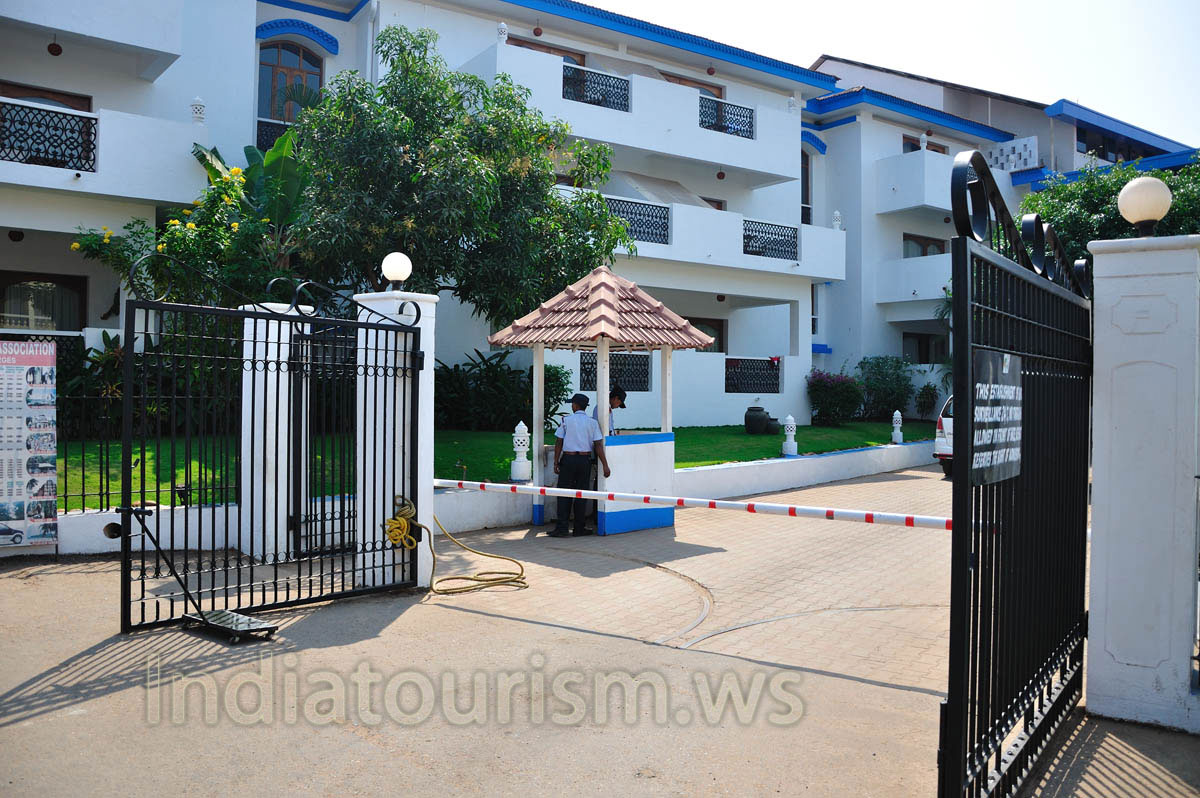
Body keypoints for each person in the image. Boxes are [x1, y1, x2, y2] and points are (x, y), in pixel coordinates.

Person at [552, 393, 611, 537]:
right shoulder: (592, 423)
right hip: (584, 462)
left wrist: (556, 461)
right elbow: (598, 445)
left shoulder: (566, 420)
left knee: (563, 493)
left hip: (568, 460)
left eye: (572, 404)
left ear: (575, 405)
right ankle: (579, 528)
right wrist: (605, 465)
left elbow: (559, 442)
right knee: (581, 494)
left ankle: (562, 528)